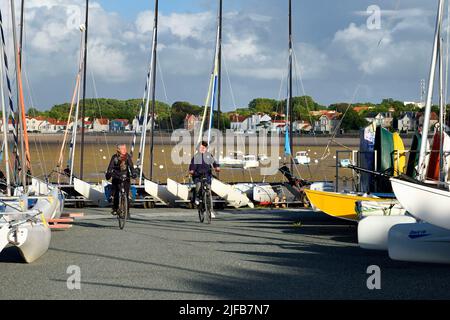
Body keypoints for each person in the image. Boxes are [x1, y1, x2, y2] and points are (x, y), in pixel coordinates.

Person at [189, 141, 220, 217]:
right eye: (201, 147)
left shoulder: (209, 156)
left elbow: (215, 163)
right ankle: (197, 197)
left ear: (206, 148)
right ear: (198, 148)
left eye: (204, 147)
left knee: (208, 191)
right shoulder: (196, 157)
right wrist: (191, 171)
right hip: (198, 176)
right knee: (198, 186)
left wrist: (217, 167)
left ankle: (210, 211)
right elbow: (192, 167)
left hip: (207, 176)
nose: (203, 148)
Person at [105, 144, 137, 215]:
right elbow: (110, 167)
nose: (125, 150)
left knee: (126, 194)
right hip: (116, 177)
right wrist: (109, 174)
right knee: (116, 193)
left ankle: (127, 211)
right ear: (118, 150)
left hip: (126, 177)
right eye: (123, 149)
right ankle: (115, 208)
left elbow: (131, 166)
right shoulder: (114, 157)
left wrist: (133, 173)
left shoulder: (127, 156)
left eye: (125, 148)